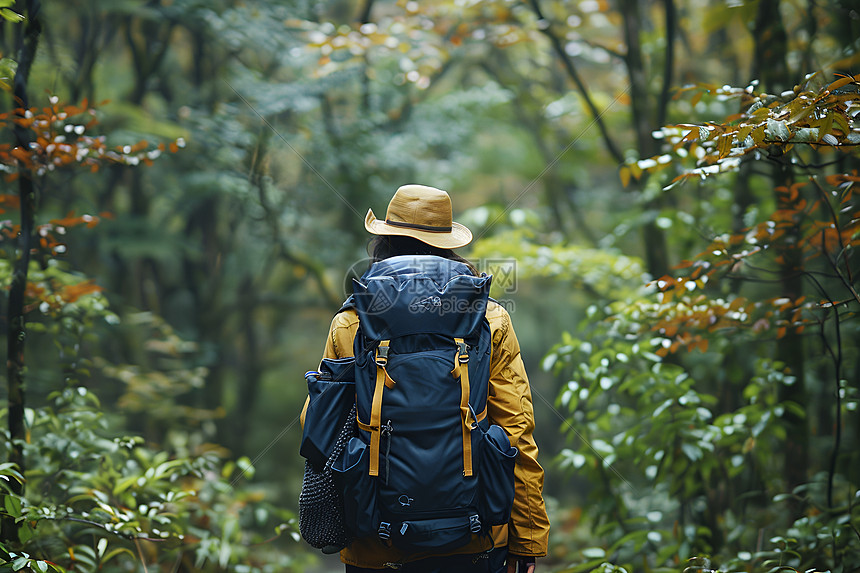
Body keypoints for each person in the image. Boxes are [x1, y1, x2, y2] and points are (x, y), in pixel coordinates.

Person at [318, 184, 550, 572]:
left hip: (376, 543)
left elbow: (322, 431)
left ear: (383, 241)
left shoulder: (351, 323)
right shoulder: (489, 319)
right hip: (476, 538)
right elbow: (517, 431)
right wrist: (527, 540)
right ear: (448, 244)